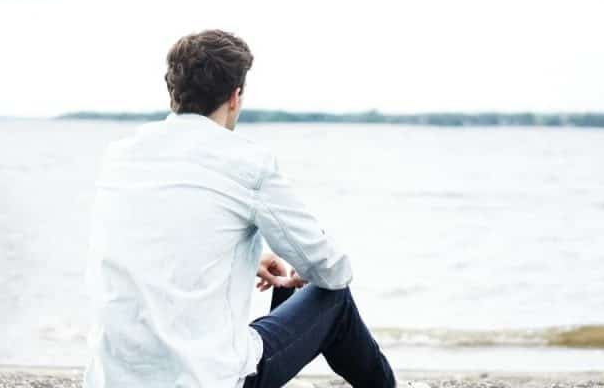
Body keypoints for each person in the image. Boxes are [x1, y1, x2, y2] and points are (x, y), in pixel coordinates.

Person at [82, 29, 399, 388]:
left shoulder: (121, 156)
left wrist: (247, 259)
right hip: (205, 380)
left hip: (114, 378)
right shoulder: (247, 163)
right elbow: (331, 268)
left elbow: (154, 243)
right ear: (235, 96)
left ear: (172, 91)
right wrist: (302, 269)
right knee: (335, 300)